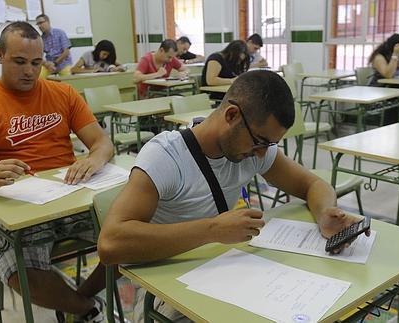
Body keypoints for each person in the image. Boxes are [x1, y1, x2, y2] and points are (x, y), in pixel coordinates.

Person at [98, 70, 368, 322]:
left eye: (270, 145)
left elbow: (313, 184)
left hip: (223, 271)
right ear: (231, 116)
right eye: (261, 141)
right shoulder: (166, 157)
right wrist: (213, 229)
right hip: (165, 289)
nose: (263, 153)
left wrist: (324, 213)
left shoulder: (250, 148)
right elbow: (110, 244)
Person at [0, 21, 114, 323]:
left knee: (134, 234)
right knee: (16, 270)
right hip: (20, 205)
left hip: (69, 193)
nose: (29, 71)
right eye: (19, 62)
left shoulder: (63, 94)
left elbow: (102, 142)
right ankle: (87, 308)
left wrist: (95, 160)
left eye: (36, 63)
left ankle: (80, 298)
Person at [36, 14, 73, 79]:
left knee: (69, 80)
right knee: (38, 77)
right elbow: (38, 56)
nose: (39, 26)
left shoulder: (60, 33)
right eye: (38, 24)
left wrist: (55, 63)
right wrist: (46, 64)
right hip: (49, 66)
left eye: (41, 23)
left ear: (48, 22)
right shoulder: (41, 39)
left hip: (63, 64)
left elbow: (66, 52)